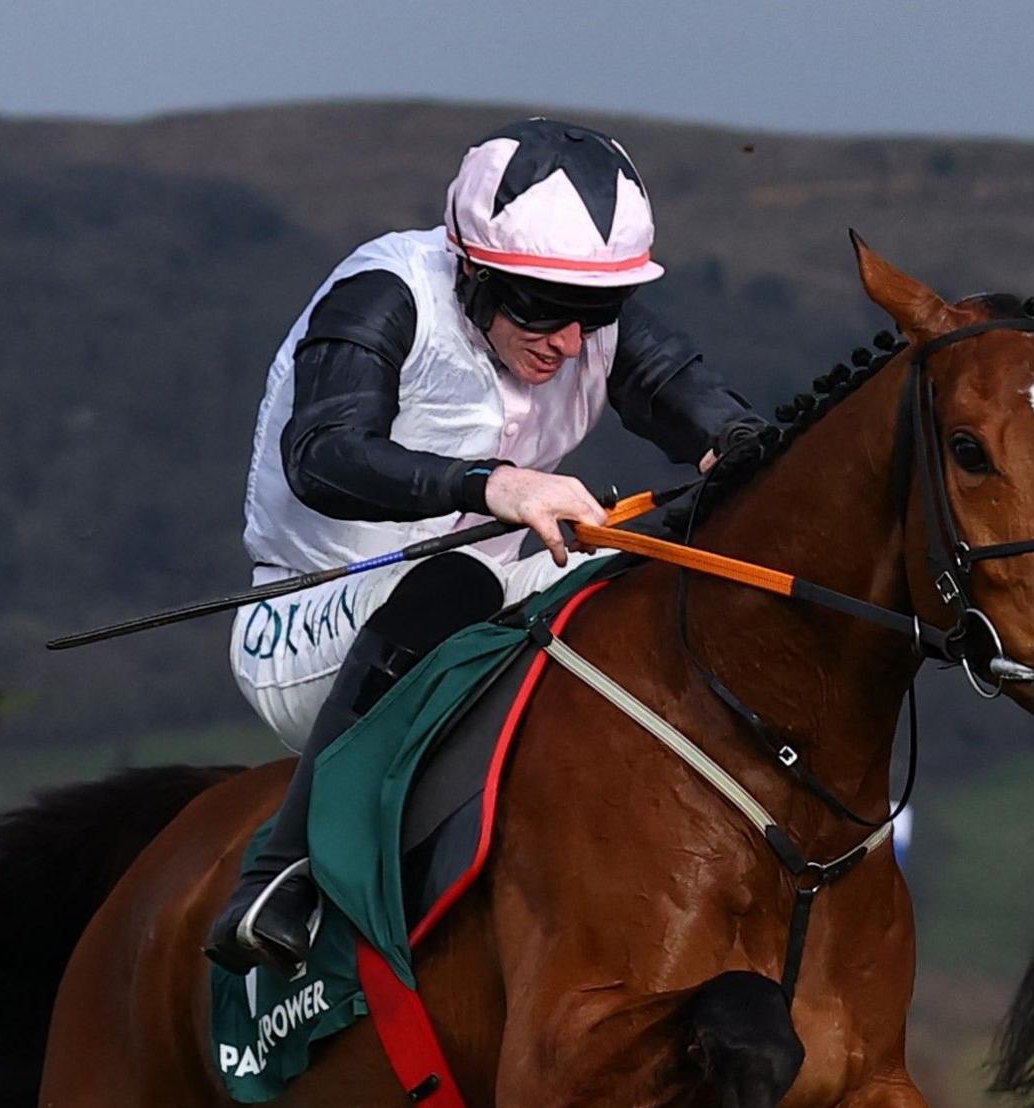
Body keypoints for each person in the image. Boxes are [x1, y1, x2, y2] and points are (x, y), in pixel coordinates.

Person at [209, 118, 776, 974]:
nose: (571, 341)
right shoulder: (384, 292)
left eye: (598, 311)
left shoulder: (576, 310)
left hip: (479, 597)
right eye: (545, 309)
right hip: (306, 617)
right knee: (458, 576)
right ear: (471, 267)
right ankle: (279, 871)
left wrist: (736, 443)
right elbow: (322, 455)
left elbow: (686, 395)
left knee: (646, 582)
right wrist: (495, 484)